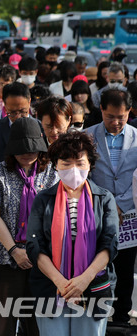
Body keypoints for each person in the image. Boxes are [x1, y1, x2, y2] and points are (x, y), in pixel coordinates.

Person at [26, 130, 118, 334]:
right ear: (56, 165)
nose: (73, 170)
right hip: (51, 288)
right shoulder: (44, 199)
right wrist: (60, 282)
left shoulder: (104, 198)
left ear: (90, 164)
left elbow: (109, 243)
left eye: (80, 163)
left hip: (93, 287)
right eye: (66, 164)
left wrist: (84, 279)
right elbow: (35, 246)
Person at [0, 117, 57, 335]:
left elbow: (55, 216)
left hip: (43, 259)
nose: (27, 154)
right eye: (21, 149)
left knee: (38, 324)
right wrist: (14, 250)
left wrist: (37, 251)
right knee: (0, 323)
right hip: (5, 258)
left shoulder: (53, 172)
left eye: (33, 149)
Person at [84, 89, 137, 329]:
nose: (115, 122)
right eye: (110, 117)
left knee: (125, 268)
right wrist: (108, 202)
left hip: (130, 216)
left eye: (121, 117)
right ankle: (98, 316)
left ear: (129, 112)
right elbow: (84, 174)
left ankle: (122, 318)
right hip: (96, 212)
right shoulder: (87, 137)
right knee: (97, 267)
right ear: (101, 112)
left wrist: (123, 203)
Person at [0, 82, 33, 177]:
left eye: (22, 112)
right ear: (5, 105)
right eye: (12, 112)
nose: (18, 117)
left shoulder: (41, 128)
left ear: (29, 102)